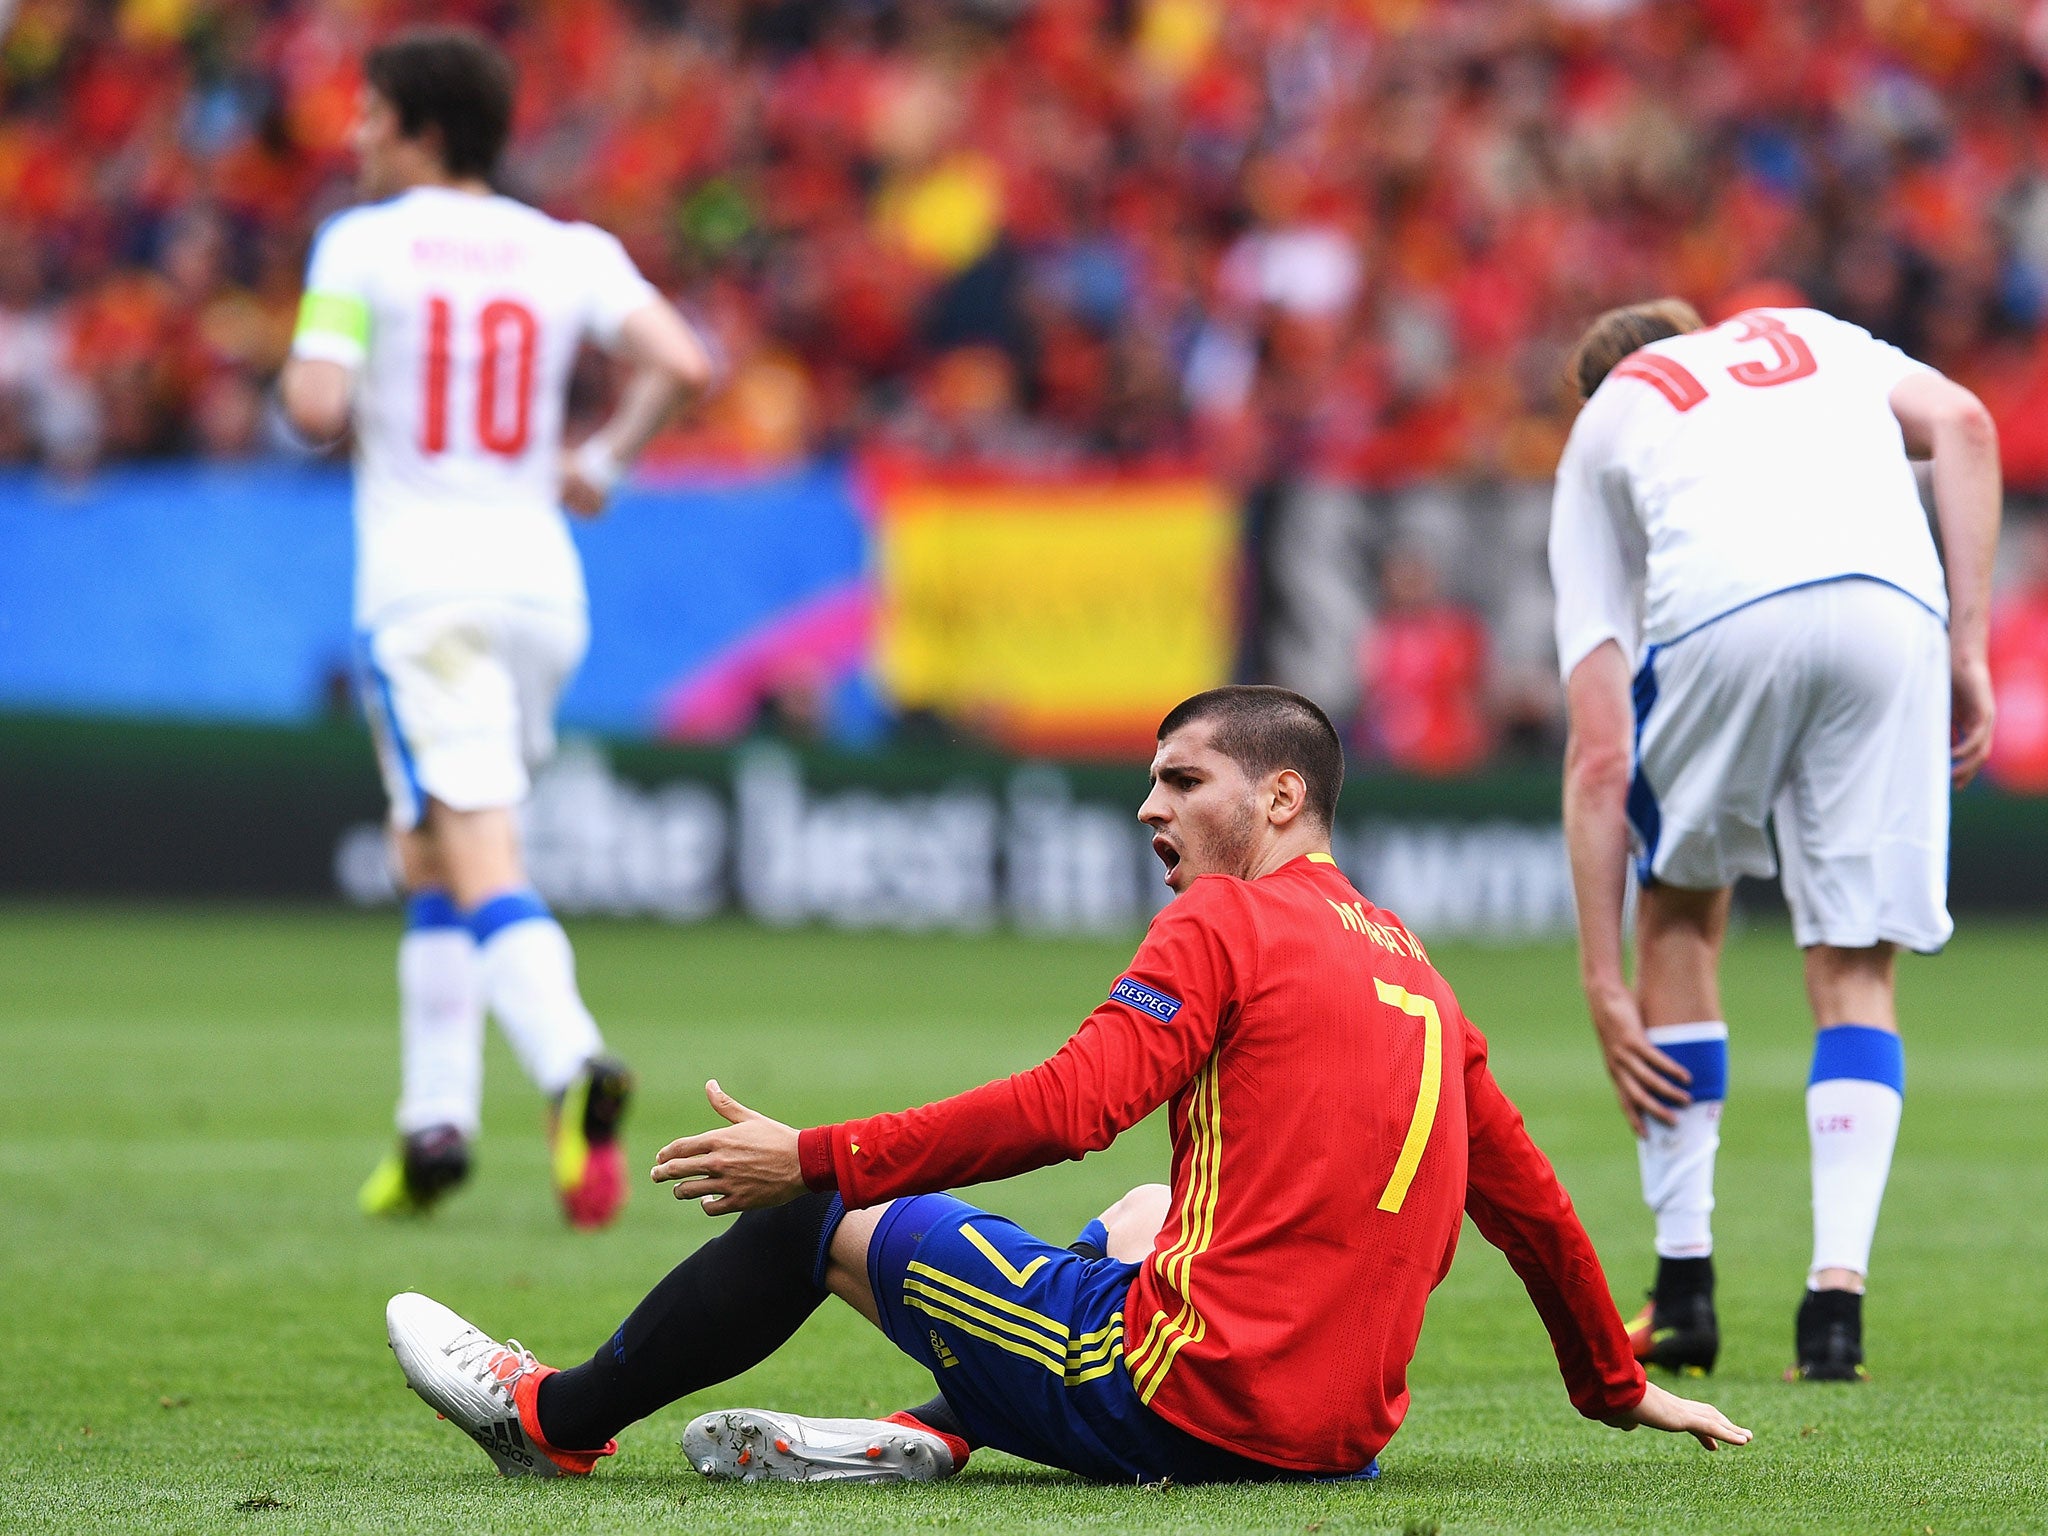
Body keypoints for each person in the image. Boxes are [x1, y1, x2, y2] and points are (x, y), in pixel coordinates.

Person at [382, 686, 1749, 1485]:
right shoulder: (1420, 975)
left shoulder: (1223, 922)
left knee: (822, 1221)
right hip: (1338, 1439)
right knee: (1157, 1202)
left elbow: (1067, 1104)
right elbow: (1530, 1206)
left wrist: (815, 1158)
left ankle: (552, 1420)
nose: (1150, 810)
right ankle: (925, 1434)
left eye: (1181, 780)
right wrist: (1616, 1386)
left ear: (1280, 800)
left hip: (1185, 1400)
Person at [278, 28, 716, 1227]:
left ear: (418, 127)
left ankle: (573, 1066)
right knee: (428, 842)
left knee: (474, 850)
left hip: (429, 595)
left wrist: (318, 383)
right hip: (539, 587)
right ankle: (435, 1127)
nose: (355, 135)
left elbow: (315, 404)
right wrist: (602, 462)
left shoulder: (361, 243)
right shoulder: (564, 246)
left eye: (369, 115)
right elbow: (682, 359)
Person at [1548, 299, 1999, 1381]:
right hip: (1894, 610)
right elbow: (1969, 429)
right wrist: (1967, 648)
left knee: (1680, 915)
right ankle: (1832, 1314)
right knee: (1851, 964)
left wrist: (1599, 979)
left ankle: (1686, 1285)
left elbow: (1599, 754)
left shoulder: (1608, 420)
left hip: (1717, 615)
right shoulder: (1813, 337)